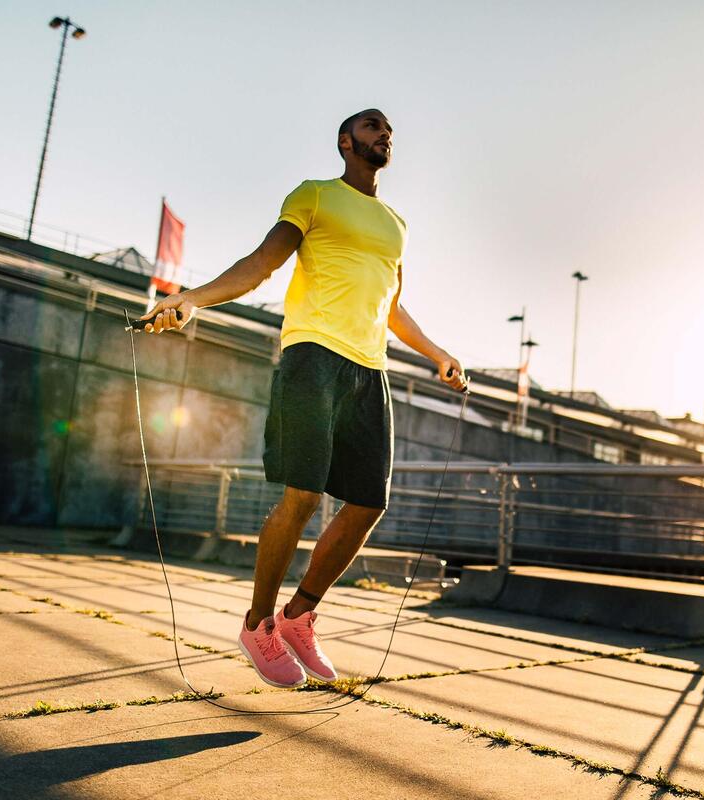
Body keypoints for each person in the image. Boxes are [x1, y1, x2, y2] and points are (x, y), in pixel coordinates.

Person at [140, 108, 468, 688]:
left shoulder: (396, 224)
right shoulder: (314, 195)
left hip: (371, 370)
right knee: (302, 495)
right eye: (371, 127)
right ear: (345, 143)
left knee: (368, 503)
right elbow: (264, 263)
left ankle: (298, 615)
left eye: (388, 129)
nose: (383, 134)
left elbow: (390, 306)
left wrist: (438, 353)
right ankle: (257, 623)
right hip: (313, 356)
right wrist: (192, 299)